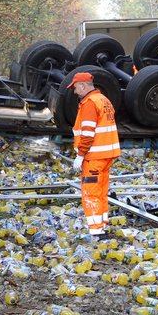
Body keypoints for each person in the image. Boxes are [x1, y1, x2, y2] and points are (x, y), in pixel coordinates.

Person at [69, 72, 120, 236]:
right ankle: (102, 225)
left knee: (91, 193)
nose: (75, 92)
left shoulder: (89, 103)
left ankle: (96, 231)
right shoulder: (104, 100)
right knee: (101, 191)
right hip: (106, 155)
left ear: (83, 86)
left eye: (76, 88)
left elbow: (88, 133)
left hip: (94, 157)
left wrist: (80, 155)